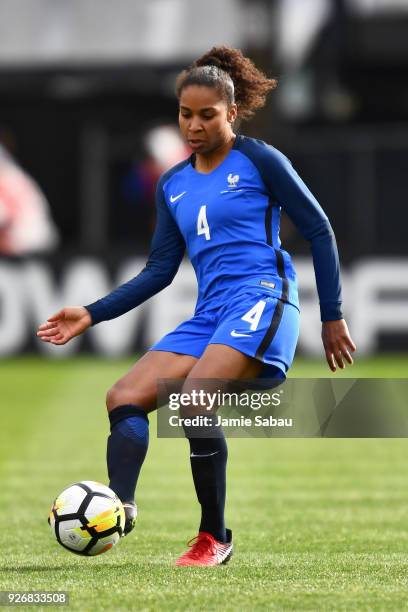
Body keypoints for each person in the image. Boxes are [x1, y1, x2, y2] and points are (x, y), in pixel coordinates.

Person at [37, 46, 356, 567]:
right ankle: (120, 505)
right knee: (123, 396)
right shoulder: (173, 184)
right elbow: (160, 271)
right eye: (186, 114)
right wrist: (92, 312)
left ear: (231, 112)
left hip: (262, 298)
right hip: (211, 313)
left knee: (194, 400)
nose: (194, 125)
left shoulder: (260, 160)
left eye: (207, 114)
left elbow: (319, 229)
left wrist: (332, 314)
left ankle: (215, 538)